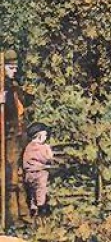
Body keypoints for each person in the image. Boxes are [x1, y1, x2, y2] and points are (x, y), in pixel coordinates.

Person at [0, 49, 31, 225]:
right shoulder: (2, 87)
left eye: (15, 66)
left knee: (17, 174)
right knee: (9, 175)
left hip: (17, 135)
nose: (14, 70)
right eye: (10, 67)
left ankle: (20, 217)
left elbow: (24, 104)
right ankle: (10, 219)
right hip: (6, 135)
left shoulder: (13, 85)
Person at [22, 122, 53, 217]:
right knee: (40, 191)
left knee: (32, 193)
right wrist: (49, 151)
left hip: (29, 173)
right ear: (39, 136)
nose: (46, 137)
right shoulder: (42, 147)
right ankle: (41, 210)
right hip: (40, 173)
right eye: (45, 135)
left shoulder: (28, 147)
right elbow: (47, 159)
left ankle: (33, 208)